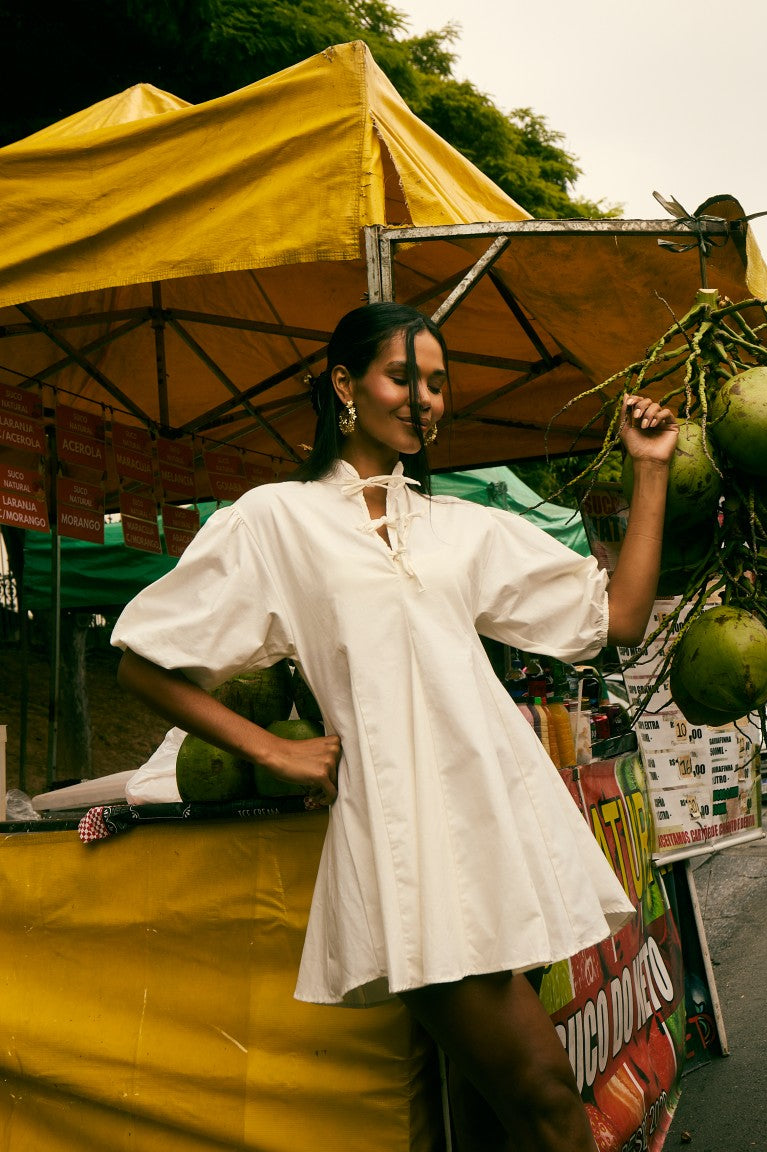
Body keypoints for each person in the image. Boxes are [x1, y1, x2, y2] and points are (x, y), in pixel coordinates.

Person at [113, 302, 678, 1152]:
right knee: (551, 1103)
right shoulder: (277, 520)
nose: (425, 399)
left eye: (439, 383)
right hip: (412, 853)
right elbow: (144, 661)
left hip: (501, 831)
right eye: (403, 376)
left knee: (496, 1116)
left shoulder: (461, 528)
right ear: (345, 384)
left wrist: (651, 470)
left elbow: (622, 615)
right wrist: (272, 748)